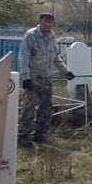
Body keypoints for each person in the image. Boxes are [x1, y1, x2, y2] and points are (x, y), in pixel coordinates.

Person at [18, 13, 74, 147]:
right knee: (29, 107)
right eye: (45, 21)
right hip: (32, 76)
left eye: (50, 22)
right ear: (40, 21)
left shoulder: (52, 36)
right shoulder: (31, 35)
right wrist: (25, 77)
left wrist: (66, 72)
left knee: (46, 107)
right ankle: (23, 136)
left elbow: (55, 57)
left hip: (46, 77)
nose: (48, 24)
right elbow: (24, 57)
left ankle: (40, 134)